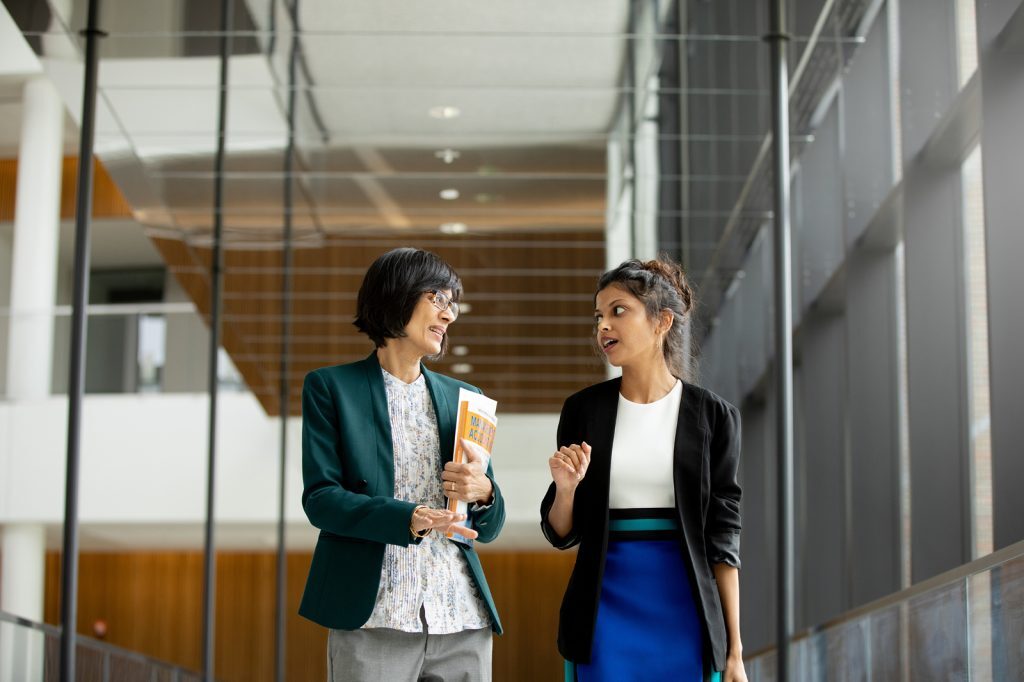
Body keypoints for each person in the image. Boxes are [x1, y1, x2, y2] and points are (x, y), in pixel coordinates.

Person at [299, 247, 504, 682]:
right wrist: (406, 518)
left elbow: (490, 520)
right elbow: (321, 500)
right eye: (439, 299)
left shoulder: (465, 395)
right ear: (398, 295)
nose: (449, 316)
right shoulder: (331, 388)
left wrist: (483, 491)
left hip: (461, 616)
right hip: (376, 615)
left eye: (454, 305)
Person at [540, 257, 746, 682]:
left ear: (662, 322)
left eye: (618, 311)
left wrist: (735, 652)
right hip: (602, 610)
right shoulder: (583, 410)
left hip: (686, 609)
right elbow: (561, 532)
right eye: (599, 316)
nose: (603, 327)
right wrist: (566, 489)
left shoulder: (714, 417)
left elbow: (723, 541)